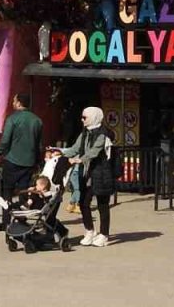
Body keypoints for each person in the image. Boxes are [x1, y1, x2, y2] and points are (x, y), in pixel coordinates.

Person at [60, 106, 116, 247]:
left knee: (102, 204)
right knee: (83, 203)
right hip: (86, 172)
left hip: (101, 172)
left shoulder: (103, 134)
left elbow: (94, 151)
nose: (82, 120)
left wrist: (80, 159)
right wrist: (59, 152)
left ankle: (104, 234)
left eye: (85, 117)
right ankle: (89, 230)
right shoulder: (84, 133)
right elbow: (75, 148)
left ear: (94, 117)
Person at [0, 93, 43, 222]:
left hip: (12, 160)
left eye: (14, 101)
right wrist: (38, 161)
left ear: (19, 103)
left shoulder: (12, 119)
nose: (13, 103)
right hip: (29, 162)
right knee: (24, 191)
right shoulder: (37, 120)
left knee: (7, 190)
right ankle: (21, 220)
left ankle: (6, 220)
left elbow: (5, 140)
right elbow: (39, 144)